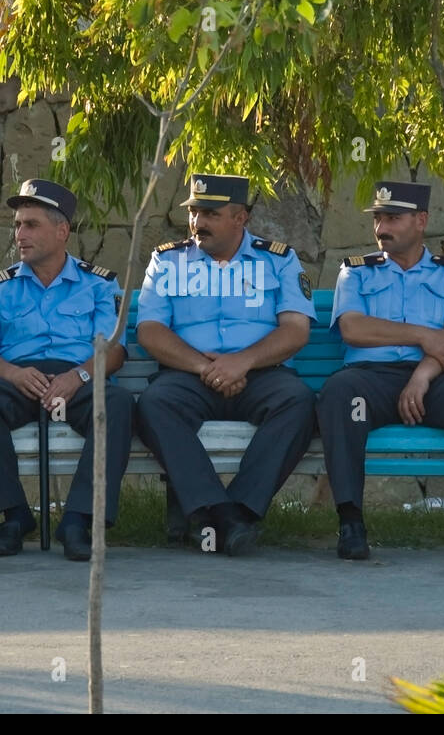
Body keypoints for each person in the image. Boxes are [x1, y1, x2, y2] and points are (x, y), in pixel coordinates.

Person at [316, 181, 444, 559]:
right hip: (369, 384)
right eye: (378, 218)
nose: (381, 228)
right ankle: (351, 521)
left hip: (435, 384)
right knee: (340, 394)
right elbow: (353, 329)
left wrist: (422, 376)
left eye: (393, 218)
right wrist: (424, 335)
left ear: (421, 221)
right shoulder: (355, 272)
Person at [134, 174, 316, 556]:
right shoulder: (168, 260)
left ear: (241, 217)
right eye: (194, 212)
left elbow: (296, 330)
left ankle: (239, 511)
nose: (198, 222)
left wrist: (242, 362)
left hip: (261, 375)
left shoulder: (279, 260)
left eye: (210, 213)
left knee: (298, 402)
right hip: (189, 376)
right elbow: (150, 330)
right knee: (154, 405)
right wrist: (205, 368)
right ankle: (220, 515)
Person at [0, 179, 132, 562]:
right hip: (20, 381)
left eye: (31, 224)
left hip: (77, 380)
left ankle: (79, 519)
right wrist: (12, 375)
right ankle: (15, 517)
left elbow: (114, 352)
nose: (20, 234)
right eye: (18, 225)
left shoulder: (99, 284)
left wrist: (79, 377)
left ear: (62, 230)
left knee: (116, 404)